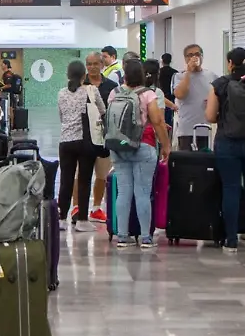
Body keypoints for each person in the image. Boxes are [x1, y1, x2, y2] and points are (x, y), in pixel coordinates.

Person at [204, 47, 245, 253]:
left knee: (231, 189)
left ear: (230, 63)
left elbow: (209, 116)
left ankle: (231, 240)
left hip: (228, 142)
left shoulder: (219, 85)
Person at [110, 58, 170, 249]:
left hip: (118, 146)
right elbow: (158, 122)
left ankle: (122, 236)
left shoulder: (114, 92)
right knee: (142, 192)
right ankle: (145, 237)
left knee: (123, 191)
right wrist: (166, 145)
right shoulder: (148, 94)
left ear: (125, 75)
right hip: (143, 146)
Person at [57, 60, 105, 232]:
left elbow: (61, 116)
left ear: (68, 75)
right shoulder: (91, 90)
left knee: (65, 180)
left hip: (66, 141)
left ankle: (62, 218)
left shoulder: (61, 93)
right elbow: (102, 111)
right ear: (84, 75)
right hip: (86, 141)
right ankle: (83, 220)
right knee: (84, 180)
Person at [76, 52, 119, 223]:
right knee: (80, 175)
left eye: (96, 63)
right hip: (83, 137)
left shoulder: (112, 85)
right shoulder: (78, 85)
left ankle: (96, 208)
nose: (92, 67)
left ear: (102, 65)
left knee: (101, 174)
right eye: (89, 64)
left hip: (103, 137)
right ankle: (77, 207)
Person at [173, 44, 218, 151]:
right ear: (185, 58)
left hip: (207, 129)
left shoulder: (211, 75)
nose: (194, 57)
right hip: (186, 130)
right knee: (187, 164)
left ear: (202, 57)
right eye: (190, 55)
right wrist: (188, 71)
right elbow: (180, 94)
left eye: (197, 54)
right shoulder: (179, 76)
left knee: (205, 164)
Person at [159, 53, 179, 128]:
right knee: (170, 119)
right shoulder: (175, 72)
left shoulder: (159, 72)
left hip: (161, 97)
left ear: (162, 61)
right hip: (171, 98)